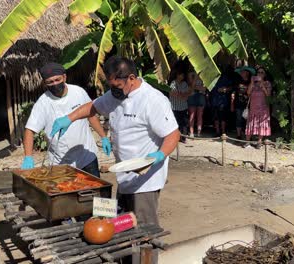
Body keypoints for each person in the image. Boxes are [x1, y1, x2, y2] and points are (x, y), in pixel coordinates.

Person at [47, 56, 180, 226]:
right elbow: (92, 107)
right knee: (123, 222)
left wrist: (159, 155)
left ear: (131, 78)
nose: (113, 91)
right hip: (124, 174)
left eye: (117, 86)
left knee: (144, 228)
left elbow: (173, 134)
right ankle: (128, 252)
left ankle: (147, 252)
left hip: (145, 179)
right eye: (111, 86)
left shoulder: (152, 100)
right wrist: (68, 118)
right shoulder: (116, 95)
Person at [21, 63, 111, 177]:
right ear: (45, 83)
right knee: (67, 192)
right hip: (61, 162)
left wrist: (103, 137)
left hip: (86, 156)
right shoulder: (43, 103)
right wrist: (28, 157)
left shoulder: (78, 92)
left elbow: (91, 115)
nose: (54, 84)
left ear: (64, 77)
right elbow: (29, 130)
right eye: (50, 82)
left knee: (94, 191)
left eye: (57, 80)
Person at [244, 66, 272, 149]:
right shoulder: (253, 83)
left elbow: (268, 94)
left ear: (265, 74)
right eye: (258, 72)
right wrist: (252, 82)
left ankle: (259, 142)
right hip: (253, 108)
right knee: (250, 124)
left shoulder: (267, 83)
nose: (259, 74)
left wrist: (262, 85)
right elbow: (248, 92)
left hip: (263, 108)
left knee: (261, 124)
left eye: (262, 72)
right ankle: (247, 142)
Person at [232, 66, 254, 139]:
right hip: (238, 103)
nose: (241, 73)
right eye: (241, 72)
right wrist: (231, 104)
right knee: (238, 119)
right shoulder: (237, 81)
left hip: (248, 104)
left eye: (243, 72)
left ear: (247, 73)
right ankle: (239, 135)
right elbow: (234, 92)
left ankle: (248, 135)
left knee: (248, 120)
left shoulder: (251, 82)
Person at [169, 67, 190, 142]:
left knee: (184, 123)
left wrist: (182, 95)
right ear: (177, 75)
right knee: (175, 123)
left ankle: (183, 138)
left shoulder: (184, 83)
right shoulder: (173, 83)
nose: (183, 76)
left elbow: (187, 93)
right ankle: (175, 138)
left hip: (183, 106)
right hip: (175, 107)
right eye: (181, 75)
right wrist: (182, 95)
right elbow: (173, 93)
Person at [211, 72, 233, 136]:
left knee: (223, 118)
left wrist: (225, 89)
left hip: (223, 101)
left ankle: (223, 132)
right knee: (216, 118)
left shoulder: (225, 77)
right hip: (214, 101)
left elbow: (231, 87)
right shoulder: (211, 78)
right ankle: (217, 132)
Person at [187, 72, 207, 137]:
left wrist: (196, 87)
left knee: (200, 115)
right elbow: (191, 86)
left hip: (201, 96)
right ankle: (191, 132)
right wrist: (196, 77)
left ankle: (199, 132)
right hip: (192, 96)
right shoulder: (191, 74)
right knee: (192, 115)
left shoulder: (204, 74)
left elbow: (204, 88)